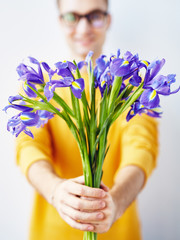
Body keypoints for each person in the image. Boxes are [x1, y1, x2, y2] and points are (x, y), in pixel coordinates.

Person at [16, 0, 158, 239]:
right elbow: (28, 145)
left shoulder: (129, 85)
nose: (83, 29)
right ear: (60, 21)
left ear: (108, 20)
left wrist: (115, 202)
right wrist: (55, 191)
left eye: (94, 16)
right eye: (72, 17)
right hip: (53, 231)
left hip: (116, 225)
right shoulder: (38, 87)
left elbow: (142, 147)